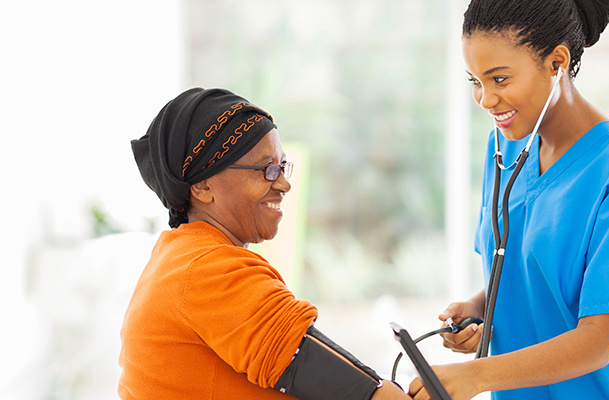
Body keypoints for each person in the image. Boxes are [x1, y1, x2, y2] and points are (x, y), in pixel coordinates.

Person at [408, 1, 609, 399]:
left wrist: (474, 376)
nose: (484, 99)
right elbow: (526, 272)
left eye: (499, 79)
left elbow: (597, 341)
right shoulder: (504, 146)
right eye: (475, 81)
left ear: (557, 62)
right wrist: (480, 307)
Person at [120, 87, 411, 400]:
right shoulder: (209, 271)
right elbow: (366, 395)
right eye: (266, 169)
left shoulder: (179, 256)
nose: (284, 183)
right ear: (202, 185)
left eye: (283, 166)